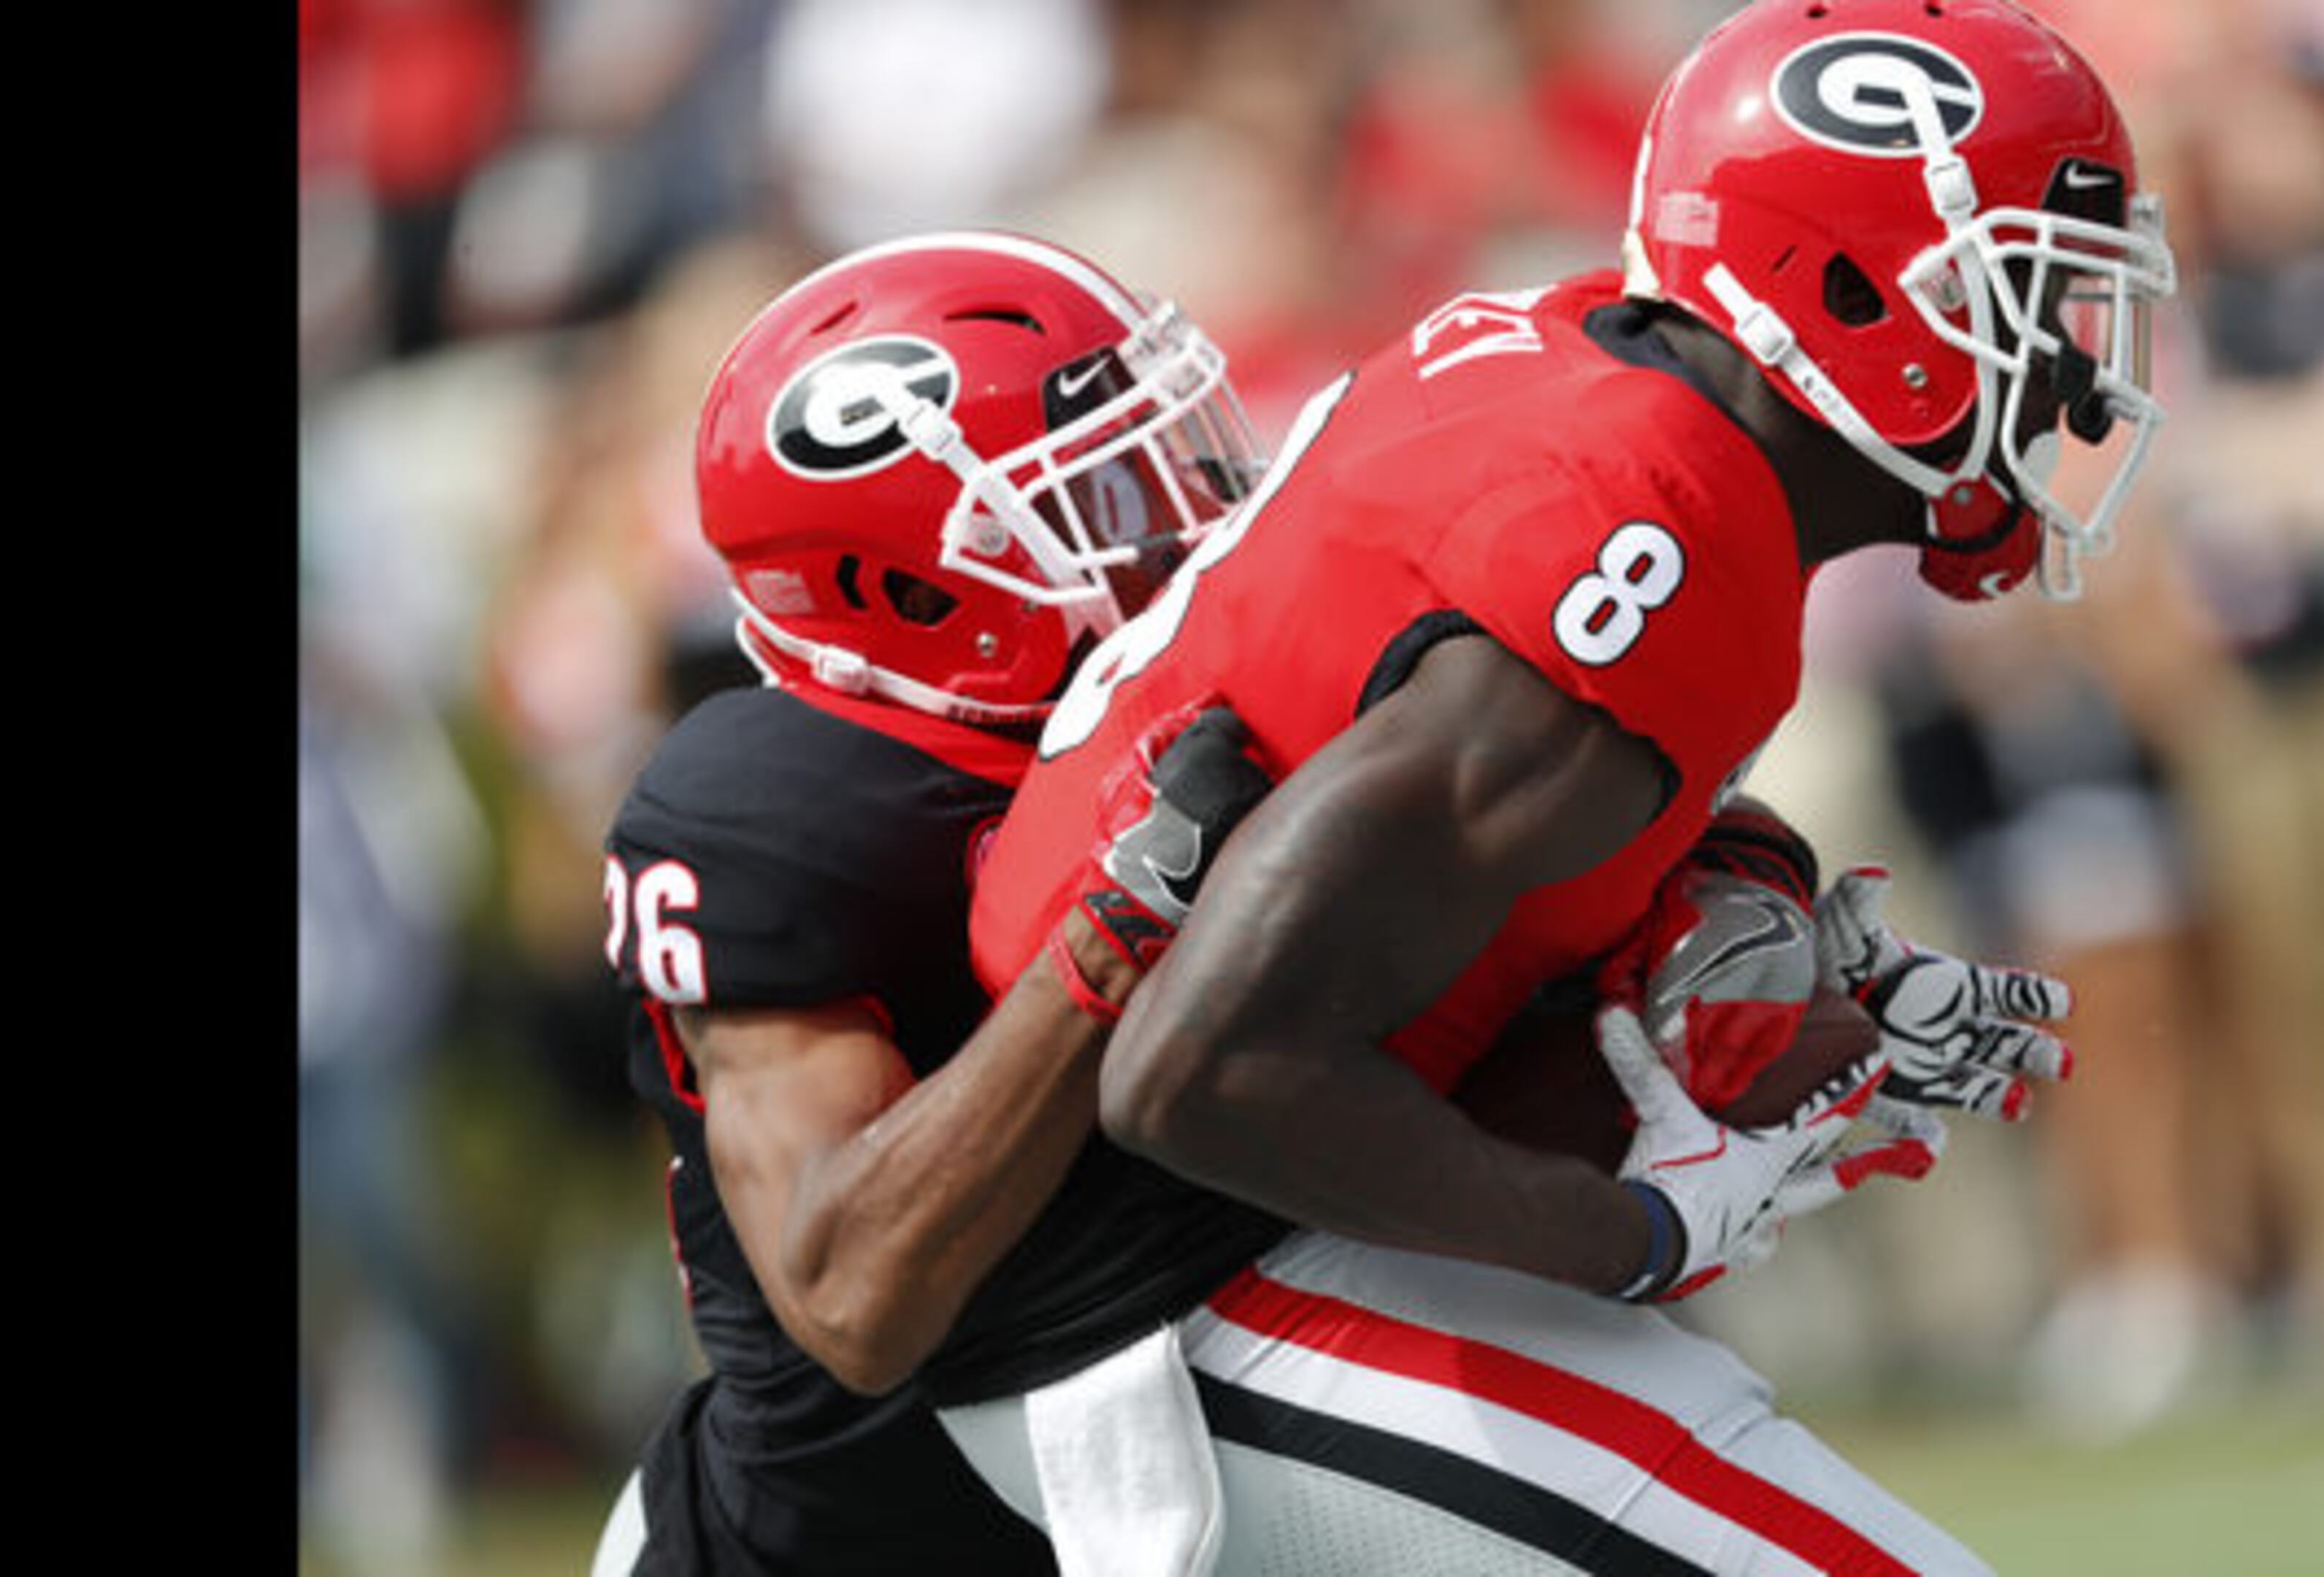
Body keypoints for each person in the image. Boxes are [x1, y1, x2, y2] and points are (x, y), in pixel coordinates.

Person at [956, 0, 2174, 1570]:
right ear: (1863, 294)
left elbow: (1448, 891)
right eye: (2024, 301)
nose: (2071, 381)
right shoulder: (1647, 545)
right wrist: (1642, 1228)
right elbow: (1201, 1068)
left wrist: (1777, 959)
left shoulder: (1600, 382)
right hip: (1162, 1291)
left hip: (1210, 1237)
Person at [588, 229, 1275, 1576]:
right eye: (1103, 496)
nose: (1183, 525)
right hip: (832, 1538)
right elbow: (852, 1298)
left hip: (1155, 1471)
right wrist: (1113, 943)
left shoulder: (1142, 708)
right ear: (912, 584)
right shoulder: (777, 803)